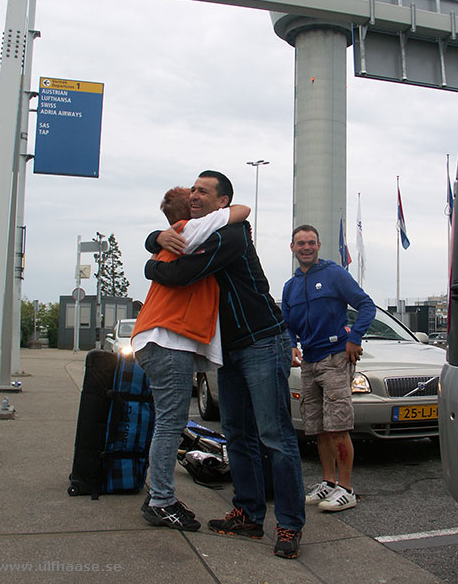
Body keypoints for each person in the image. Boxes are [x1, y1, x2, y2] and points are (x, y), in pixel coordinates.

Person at [143, 171, 306, 560]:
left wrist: (150, 265)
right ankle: (248, 515)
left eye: (204, 191)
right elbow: (172, 233)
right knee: (237, 435)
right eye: (193, 190)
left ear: (223, 202)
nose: (195, 195)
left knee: (275, 436)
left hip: (263, 341)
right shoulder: (201, 231)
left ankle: (288, 524)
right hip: (229, 350)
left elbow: (182, 273)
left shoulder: (230, 235)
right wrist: (154, 238)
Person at [131, 185, 250, 532]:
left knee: (167, 422)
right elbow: (241, 210)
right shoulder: (191, 230)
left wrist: (156, 238)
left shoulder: (173, 240)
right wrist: (166, 233)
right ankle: (161, 501)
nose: (199, 199)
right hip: (168, 341)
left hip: (156, 339)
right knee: (170, 423)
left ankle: (159, 493)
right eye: (193, 195)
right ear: (192, 212)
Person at [281, 224, 375, 512]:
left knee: (338, 427)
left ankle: (346, 489)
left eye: (311, 242)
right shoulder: (291, 286)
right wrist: (291, 344)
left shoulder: (334, 274)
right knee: (319, 428)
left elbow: (366, 305)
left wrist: (354, 338)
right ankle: (328, 482)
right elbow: (286, 324)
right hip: (309, 361)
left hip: (335, 359)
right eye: (300, 243)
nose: (306, 247)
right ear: (292, 248)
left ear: (319, 246)